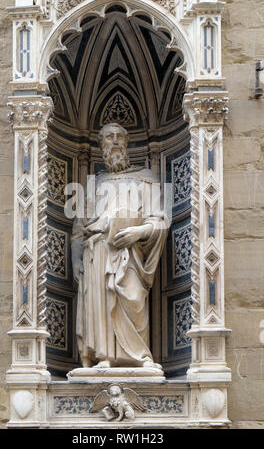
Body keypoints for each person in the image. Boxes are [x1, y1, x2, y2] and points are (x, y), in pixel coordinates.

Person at [71, 123, 169, 369]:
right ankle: (104, 356)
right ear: (101, 146)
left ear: (126, 143)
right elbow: (78, 229)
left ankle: (140, 356)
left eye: (118, 137)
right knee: (101, 306)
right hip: (97, 251)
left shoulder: (146, 179)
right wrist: (76, 260)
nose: (114, 142)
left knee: (133, 298)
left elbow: (160, 221)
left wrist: (138, 232)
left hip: (130, 253)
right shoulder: (93, 185)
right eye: (108, 138)